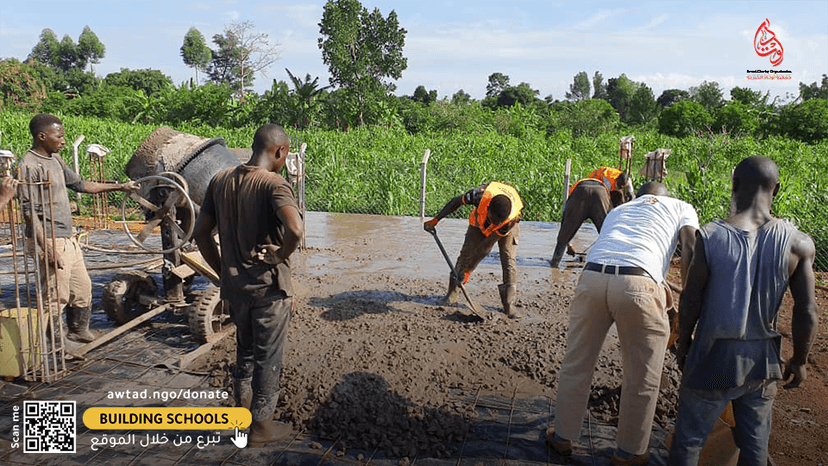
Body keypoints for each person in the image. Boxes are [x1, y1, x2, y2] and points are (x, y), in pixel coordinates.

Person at [668, 156, 817, 466]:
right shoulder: (798, 243)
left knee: (689, 444)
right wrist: (799, 360)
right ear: (777, 189)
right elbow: (806, 309)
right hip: (762, 364)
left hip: (712, 357)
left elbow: (692, 298)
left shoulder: (710, 236)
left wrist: (684, 344)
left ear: (734, 185)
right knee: (755, 449)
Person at [547, 181, 698, 465]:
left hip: (591, 278)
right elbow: (690, 247)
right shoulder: (680, 207)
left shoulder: (621, 209)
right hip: (638, 282)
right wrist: (687, 299)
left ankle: (562, 437)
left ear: (637, 197)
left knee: (577, 362)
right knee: (642, 376)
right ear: (665, 197)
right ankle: (628, 453)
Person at [193, 123, 303, 447]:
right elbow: (296, 230)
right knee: (268, 358)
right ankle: (261, 430)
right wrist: (280, 254)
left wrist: (222, 273)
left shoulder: (220, 180)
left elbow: (200, 233)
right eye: (284, 154)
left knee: (245, 353)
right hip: (269, 291)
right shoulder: (274, 184)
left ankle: (241, 418)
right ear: (280, 151)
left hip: (236, 291)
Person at [18, 113, 139, 343]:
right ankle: (55, 344)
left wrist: (120, 186)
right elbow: (28, 212)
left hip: (67, 237)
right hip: (49, 238)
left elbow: (82, 184)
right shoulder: (28, 166)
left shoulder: (56, 161)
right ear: (41, 136)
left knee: (81, 288)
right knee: (55, 296)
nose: (63, 140)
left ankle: (78, 330)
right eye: (59, 136)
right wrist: (47, 248)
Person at [423, 181, 524, 319]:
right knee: (466, 253)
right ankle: (451, 296)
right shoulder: (479, 195)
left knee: (508, 260)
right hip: (478, 222)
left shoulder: (510, 219)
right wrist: (436, 220)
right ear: (488, 208)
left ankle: (509, 305)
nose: (494, 224)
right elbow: (455, 201)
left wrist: (468, 272)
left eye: (497, 222)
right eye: (492, 220)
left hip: (509, 229)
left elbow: (486, 247)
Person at [550, 166, 635, 268]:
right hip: (599, 193)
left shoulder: (621, 181)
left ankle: (554, 264)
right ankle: (611, 265)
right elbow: (611, 218)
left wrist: (568, 244)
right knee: (606, 233)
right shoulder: (608, 185)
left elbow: (565, 220)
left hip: (580, 191)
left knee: (564, 235)